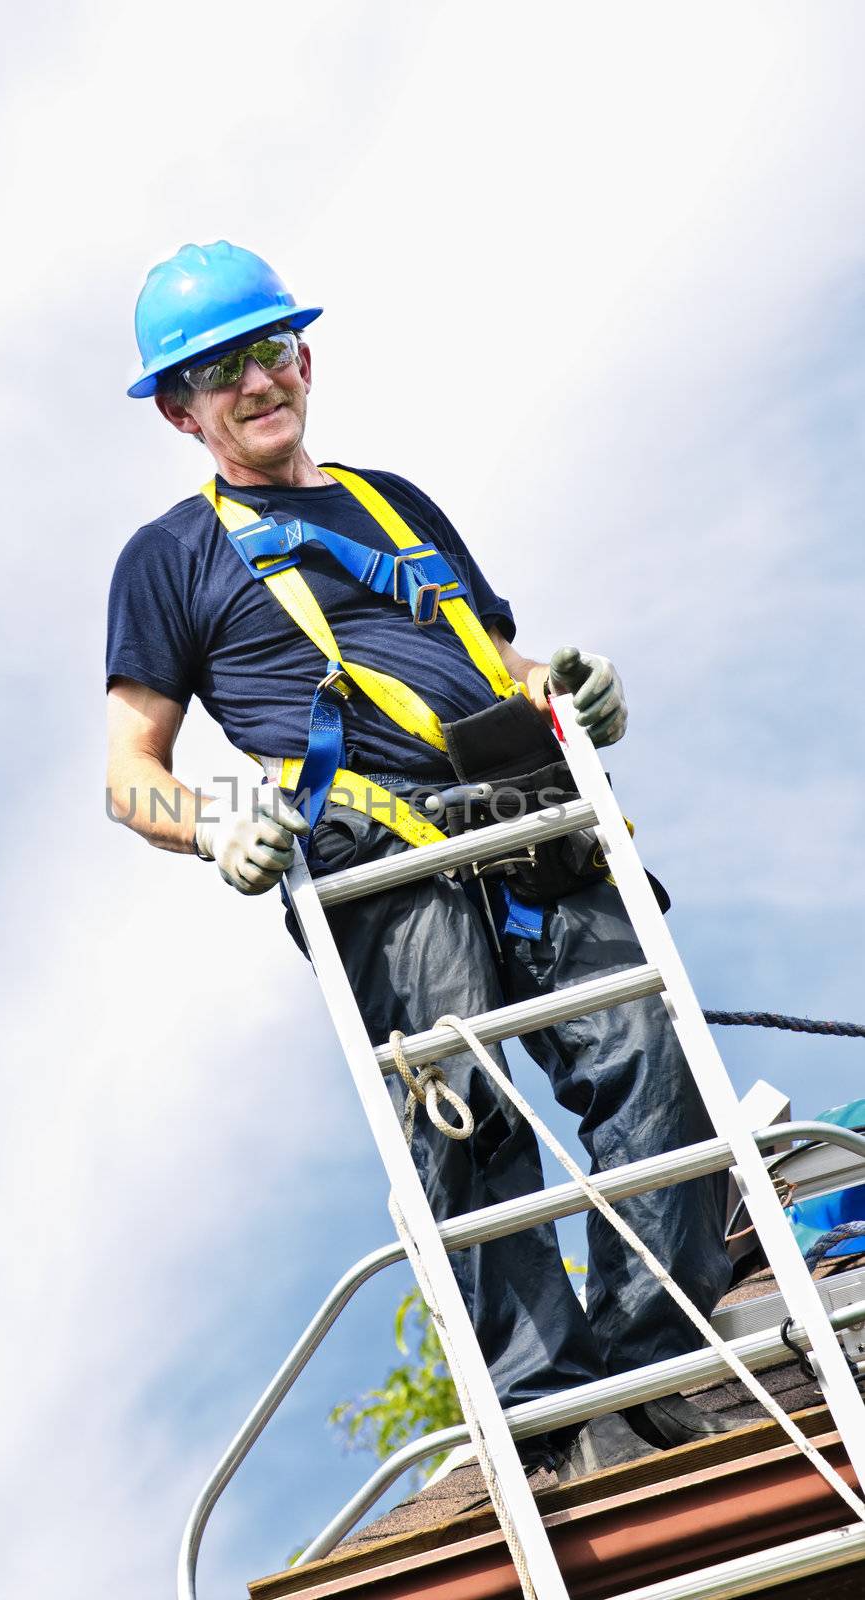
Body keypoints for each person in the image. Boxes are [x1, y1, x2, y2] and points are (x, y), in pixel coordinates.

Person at [105, 241, 734, 1481]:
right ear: (182, 411)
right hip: (378, 857)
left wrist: (568, 691)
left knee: (651, 1068)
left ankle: (652, 1375)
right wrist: (218, 825)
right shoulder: (171, 558)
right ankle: (550, 1425)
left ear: (304, 356)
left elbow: (500, 669)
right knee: (462, 1117)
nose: (253, 382)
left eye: (266, 350)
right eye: (216, 371)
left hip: (530, 816)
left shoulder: (394, 503)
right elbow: (128, 768)